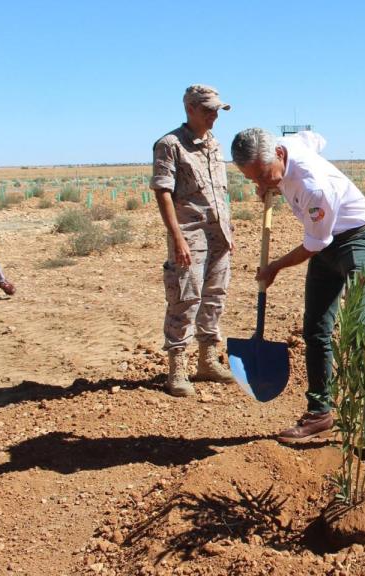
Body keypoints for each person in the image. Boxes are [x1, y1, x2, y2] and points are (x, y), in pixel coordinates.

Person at [230, 128, 365, 444]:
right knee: (315, 329)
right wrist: (268, 184)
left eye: (263, 175)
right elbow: (313, 137)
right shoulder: (287, 146)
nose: (261, 185)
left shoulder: (314, 188)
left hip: (356, 242)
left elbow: (314, 244)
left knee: (360, 330)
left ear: (280, 155)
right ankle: (320, 412)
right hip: (326, 247)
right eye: (253, 180)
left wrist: (274, 267)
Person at [150, 85, 236, 396]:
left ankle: (207, 361)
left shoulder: (214, 145)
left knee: (215, 297)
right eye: (209, 109)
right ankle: (177, 368)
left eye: (217, 110)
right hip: (189, 235)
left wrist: (228, 230)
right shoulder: (170, 145)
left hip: (219, 236)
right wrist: (177, 238)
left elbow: (220, 191)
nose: (215, 115)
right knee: (185, 298)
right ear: (190, 109)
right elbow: (163, 192)